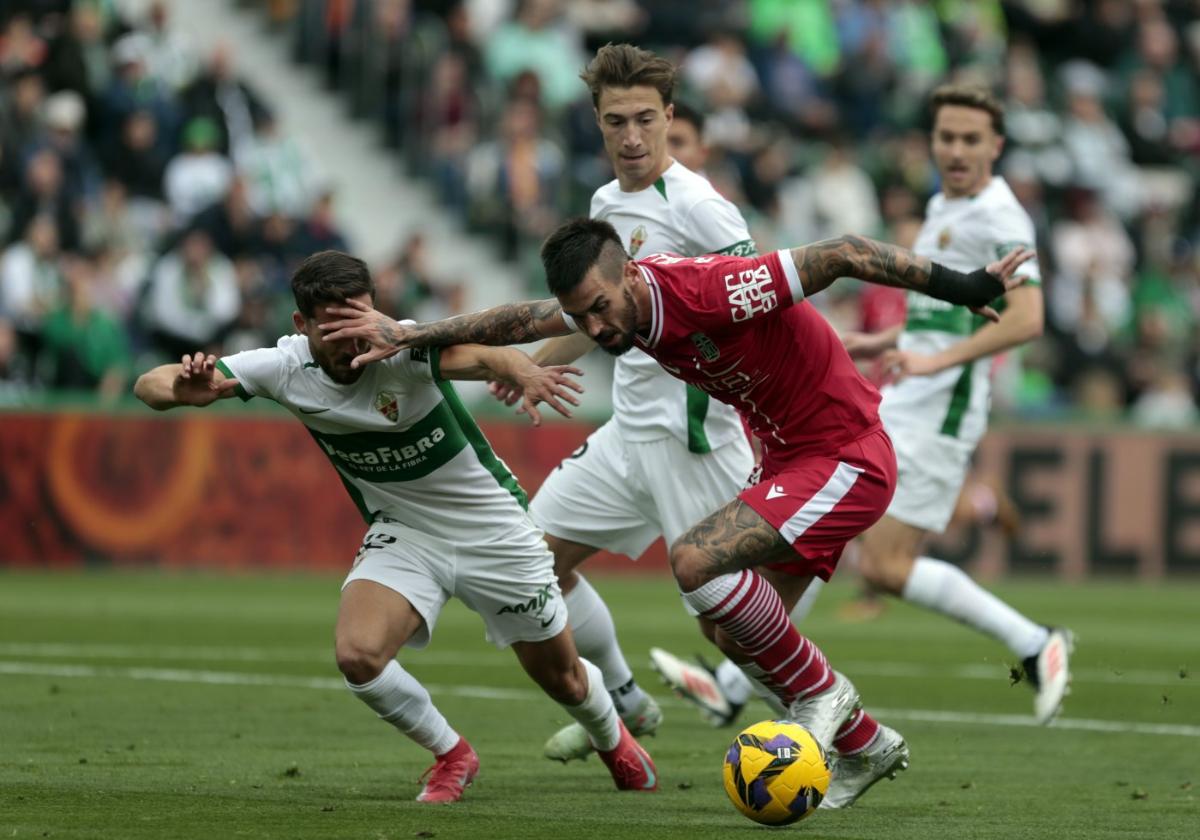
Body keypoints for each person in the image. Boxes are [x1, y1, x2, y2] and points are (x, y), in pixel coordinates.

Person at [316, 217, 1033, 809]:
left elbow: (841, 252)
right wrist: (414, 334)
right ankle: (866, 744)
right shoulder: (611, 311)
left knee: (694, 559)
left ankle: (825, 697)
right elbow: (515, 319)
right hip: (787, 459)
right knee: (730, 630)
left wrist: (965, 285)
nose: (595, 328)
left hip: (845, 453)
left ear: (630, 272)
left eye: (601, 307)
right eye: (581, 315)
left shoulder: (711, 289)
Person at [132, 250, 659, 803]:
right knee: (357, 656)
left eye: (359, 320)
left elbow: (477, 358)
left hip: (493, 531)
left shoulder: (402, 345)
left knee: (564, 680)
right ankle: (452, 755)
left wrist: (520, 368)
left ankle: (612, 738)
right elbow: (152, 384)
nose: (352, 340)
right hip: (405, 532)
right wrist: (181, 386)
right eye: (332, 328)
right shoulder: (284, 367)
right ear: (301, 326)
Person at [649, 85, 1073, 741]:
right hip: (906, 396)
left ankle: (1035, 640)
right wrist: (882, 343)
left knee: (876, 558)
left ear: (996, 146)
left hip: (940, 409)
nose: (955, 151)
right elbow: (937, 316)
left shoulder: (1001, 216)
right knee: (844, 536)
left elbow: (1027, 319)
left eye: (970, 139)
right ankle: (737, 683)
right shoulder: (944, 206)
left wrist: (936, 365)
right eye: (946, 137)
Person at [488, 44, 758, 764]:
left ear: (671, 117)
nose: (632, 137)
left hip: (694, 441)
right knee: (530, 565)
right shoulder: (606, 205)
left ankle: (830, 722)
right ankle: (626, 702)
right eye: (616, 122)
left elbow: (755, 307)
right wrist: (530, 364)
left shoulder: (702, 207)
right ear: (598, 123)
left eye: (645, 119)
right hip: (627, 432)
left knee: (730, 631)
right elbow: (595, 318)